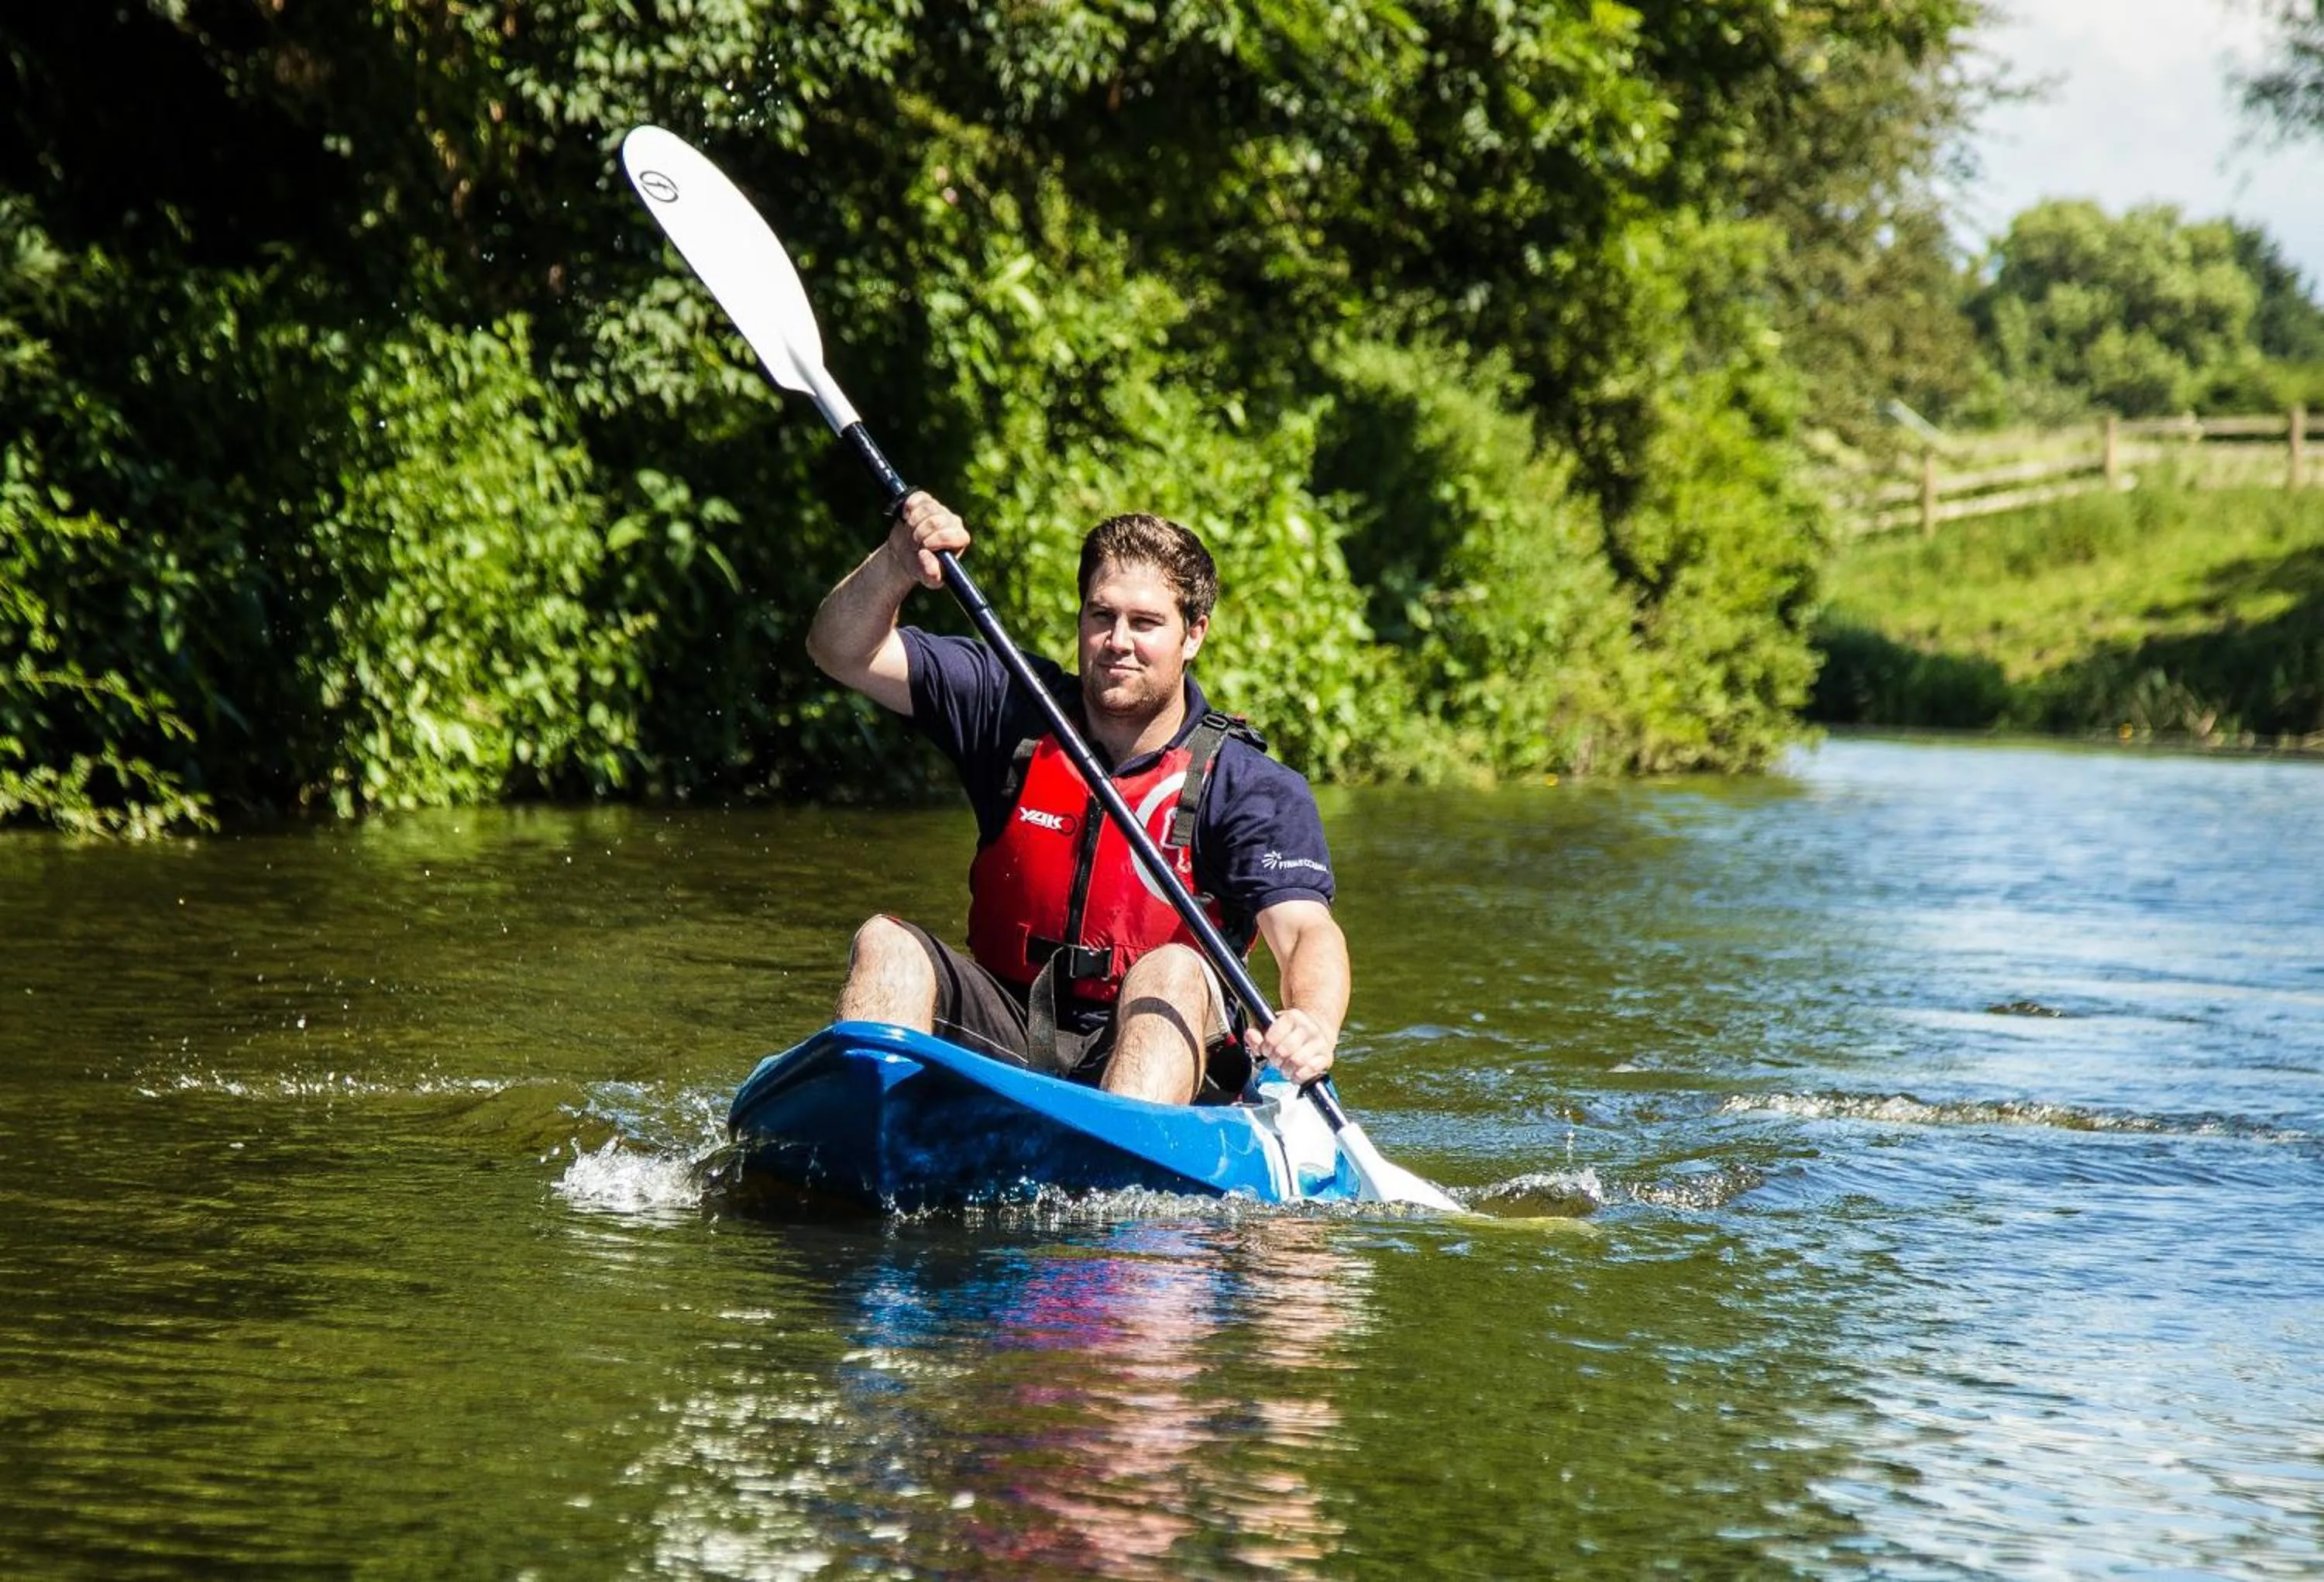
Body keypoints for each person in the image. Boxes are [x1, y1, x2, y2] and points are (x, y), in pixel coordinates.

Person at [803, 490, 1347, 1106]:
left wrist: (1312, 1024)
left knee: (1170, 973)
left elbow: (1304, 931)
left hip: (1170, 1055)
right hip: (1010, 1022)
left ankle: (1119, 1179)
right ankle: (868, 1139)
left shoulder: (1250, 785)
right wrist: (897, 560)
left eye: (1145, 623)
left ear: (1193, 635)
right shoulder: (1008, 705)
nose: (1118, 640)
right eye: (1101, 616)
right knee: (887, 942)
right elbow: (840, 650)